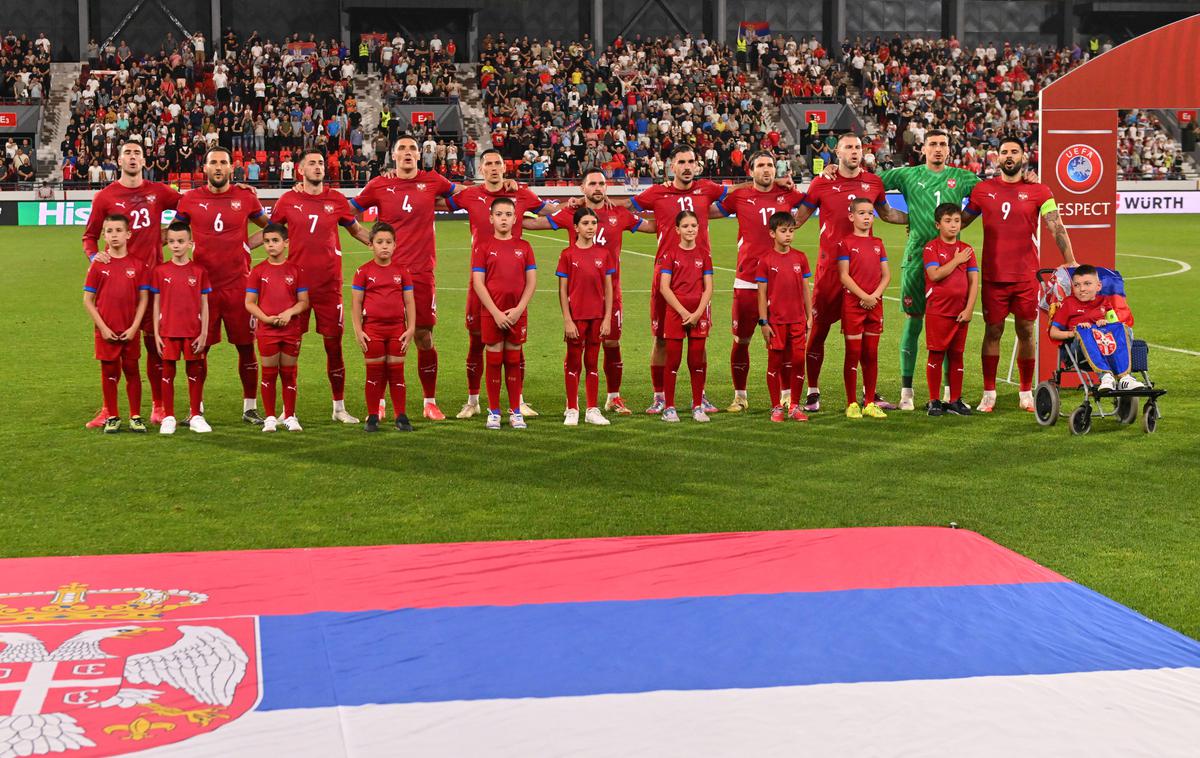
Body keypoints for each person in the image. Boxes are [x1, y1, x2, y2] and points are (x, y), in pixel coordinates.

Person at [351, 136, 468, 421]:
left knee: (424, 336)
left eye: (412, 149)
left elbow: (466, 193)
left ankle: (429, 401)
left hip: (420, 274)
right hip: (384, 277)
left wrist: (500, 186)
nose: (407, 152)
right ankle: (378, 402)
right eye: (401, 148)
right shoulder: (379, 184)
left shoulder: (433, 180)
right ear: (393, 155)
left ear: (420, 155)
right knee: (381, 339)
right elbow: (348, 213)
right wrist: (369, 240)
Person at [524, 169, 655, 414]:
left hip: (611, 295)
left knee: (612, 342)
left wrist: (678, 215)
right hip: (579, 298)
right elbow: (532, 223)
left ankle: (613, 397)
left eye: (601, 183)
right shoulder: (570, 214)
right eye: (592, 183)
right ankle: (572, 403)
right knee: (576, 348)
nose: (597, 187)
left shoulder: (619, 214)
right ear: (582, 188)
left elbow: (651, 227)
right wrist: (513, 208)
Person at [962, 136, 1076, 412]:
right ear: (997, 158)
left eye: (1014, 151)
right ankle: (989, 393)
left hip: (1025, 276)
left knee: (1026, 331)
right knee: (993, 331)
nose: (1009, 156)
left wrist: (1070, 260)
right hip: (993, 276)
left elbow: (1055, 226)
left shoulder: (1040, 191)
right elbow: (959, 222)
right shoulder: (982, 190)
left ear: (1024, 156)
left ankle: (1026, 391)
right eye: (1004, 152)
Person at [798, 133, 906, 412]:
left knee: (866, 338)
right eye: (848, 147)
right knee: (818, 331)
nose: (855, 151)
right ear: (837, 152)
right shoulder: (822, 182)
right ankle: (813, 390)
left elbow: (888, 213)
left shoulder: (873, 182)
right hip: (830, 271)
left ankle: (869, 392)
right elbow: (798, 218)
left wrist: (918, 220)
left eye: (858, 147)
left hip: (864, 274)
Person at [446, 148, 556, 419]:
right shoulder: (470, 195)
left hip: (514, 285)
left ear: (504, 168)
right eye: (488, 164)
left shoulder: (520, 194)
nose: (494, 168)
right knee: (476, 342)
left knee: (516, 344)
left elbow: (550, 210)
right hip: (481, 283)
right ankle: (473, 401)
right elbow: (435, 201)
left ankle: (517, 401)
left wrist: (575, 207)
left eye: (498, 163)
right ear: (481, 169)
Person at [263, 149, 370, 423]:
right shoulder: (287, 200)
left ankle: (339, 409)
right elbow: (272, 233)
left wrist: (382, 244)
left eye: (321, 163)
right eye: (312, 163)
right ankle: (289, 413)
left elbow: (356, 230)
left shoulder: (336, 199)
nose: (318, 167)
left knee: (334, 347)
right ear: (301, 170)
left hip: (329, 286)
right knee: (290, 349)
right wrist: (239, 247)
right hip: (295, 288)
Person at [82, 139, 182, 428]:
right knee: (110, 349)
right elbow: (90, 235)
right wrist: (94, 257)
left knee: (154, 347)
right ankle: (107, 409)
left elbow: (189, 206)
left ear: (144, 159)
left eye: (137, 153)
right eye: (127, 153)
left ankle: (158, 406)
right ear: (119, 159)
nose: (133, 157)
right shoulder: (105, 196)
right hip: (115, 286)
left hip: (151, 282)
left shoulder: (158, 191)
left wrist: (169, 234)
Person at [622, 145, 729, 415]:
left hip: (698, 275)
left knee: (699, 340)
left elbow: (739, 196)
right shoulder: (656, 193)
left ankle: (699, 395)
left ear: (697, 165)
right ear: (672, 166)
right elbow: (626, 208)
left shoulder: (707, 189)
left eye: (691, 161)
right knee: (660, 339)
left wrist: (777, 185)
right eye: (681, 161)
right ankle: (659, 396)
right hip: (666, 275)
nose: (686, 166)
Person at [173, 147, 269, 424]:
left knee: (246, 347)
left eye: (223, 163)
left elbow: (273, 228)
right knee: (199, 348)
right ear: (204, 169)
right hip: (203, 289)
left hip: (240, 287)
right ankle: (196, 409)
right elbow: (175, 234)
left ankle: (249, 407)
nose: (218, 167)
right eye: (213, 162)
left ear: (231, 168)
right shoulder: (190, 199)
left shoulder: (245, 196)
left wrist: (247, 244)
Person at [717, 151, 807, 413]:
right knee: (741, 340)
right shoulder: (740, 196)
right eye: (760, 166)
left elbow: (812, 201)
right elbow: (709, 208)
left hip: (781, 284)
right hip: (746, 280)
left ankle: (787, 395)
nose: (766, 170)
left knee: (785, 343)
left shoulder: (788, 195)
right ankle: (740, 395)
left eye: (770, 165)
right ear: (751, 169)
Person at [470, 197, 537, 430]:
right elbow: (478, 282)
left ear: (515, 218)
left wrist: (519, 310)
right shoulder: (483, 247)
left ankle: (516, 411)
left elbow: (531, 282)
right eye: (499, 214)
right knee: (494, 359)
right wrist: (496, 312)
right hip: (492, 314)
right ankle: (494, 411)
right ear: (491, 218)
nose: (504, 219)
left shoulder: (524, 247)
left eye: (508, 214)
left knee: (513, 360)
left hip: (517, 314)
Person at [82, 215, 150, 433]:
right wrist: (103, 328)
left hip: (130, 330)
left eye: (118, 230)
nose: (114, 235)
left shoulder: (138, 265)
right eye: (109, 231)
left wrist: (134, 327)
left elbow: (144, 300)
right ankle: (112, 415)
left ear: (128, 234)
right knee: (109, 372)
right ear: (104, 235)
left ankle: (135, 415)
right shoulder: (98, 266)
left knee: (132, 370)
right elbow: (87, 300)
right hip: (106, 330)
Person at [351, 222, 418, 432]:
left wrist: (411, 328)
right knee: (374, 373)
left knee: (397, 372)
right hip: (373, 330)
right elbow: (356, 303)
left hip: (397, 329)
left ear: (395, 245)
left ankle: (401, 415)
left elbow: (409, 302)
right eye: (379, 242)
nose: (384, 246)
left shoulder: (402, 271)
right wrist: (358, 330)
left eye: (389, 242)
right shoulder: (363, 271)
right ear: (371, 245)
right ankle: (372, 416)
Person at [245, 223, 310, 433]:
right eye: (266, 241)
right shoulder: (258, 271)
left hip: (291, 329)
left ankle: (290, 416)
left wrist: (289, 313)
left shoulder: (296, 270)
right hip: (267, 330)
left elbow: (303, 302)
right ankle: (271, 418)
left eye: (275, 241)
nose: (270, 245)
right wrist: (266, 318)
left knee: (289, 373)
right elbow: (249, 302)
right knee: (269, 373)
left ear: (286, 243)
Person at [555, 207, 615, 426]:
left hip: (597, 317)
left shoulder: (603, 254)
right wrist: (567, 319)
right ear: (576, 227)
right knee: (573, 362)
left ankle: (592, 409)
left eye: (593, 223)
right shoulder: (567, 255)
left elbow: (609, 289)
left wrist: (607, 318)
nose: (590, 227)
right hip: (576, 317)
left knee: (592, 362)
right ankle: (572, 408)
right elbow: (562, 290)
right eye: (586, 223)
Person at [150, 222, 211, 435]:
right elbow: (156, 303)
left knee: (194, 371)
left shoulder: (199, 271)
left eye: (181, 241)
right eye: (172, 241)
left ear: (190, 244)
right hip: (168, 331)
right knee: (168, 372)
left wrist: (204, 332)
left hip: (193, 330)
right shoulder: (160, 271)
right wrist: (157, 333)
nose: (176, 245)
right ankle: (169, 417)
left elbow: (204, 304)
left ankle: (196, 415)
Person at [755, 212, 813, 423]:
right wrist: (763, 321)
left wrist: (809, 316)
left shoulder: (800, 258)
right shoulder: (765, 260)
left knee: (798, 361)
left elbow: (806, 289)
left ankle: (794, 406)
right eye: (783, 231)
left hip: (798, 320)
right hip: (776, 322)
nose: (788, 235)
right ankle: (776, 407)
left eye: (791, 231)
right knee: (775, 364)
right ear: (772, 233)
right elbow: (761, 293)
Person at [923, 204, 980, 417]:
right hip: (938, 310)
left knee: (957, 355)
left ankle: (955, 400)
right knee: (936, 354)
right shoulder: (931, 248)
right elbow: (935, 274)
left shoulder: (968, 249)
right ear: (938, 224)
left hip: (960, 312)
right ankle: (934, 400)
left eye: (957, 221)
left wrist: (969, 308)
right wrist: (956, 260)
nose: (953, 225)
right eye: (948, 221)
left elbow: (974, 281)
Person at [658, 211, 714, 423]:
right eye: (686, 226)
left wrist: (698, 313)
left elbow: (708, 288)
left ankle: (698, 406)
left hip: (698, 314)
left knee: (696, 361)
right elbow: (665, 287)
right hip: (676, 313)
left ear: (699, 228)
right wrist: (683, 312)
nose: (690, 229)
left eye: (694, 226)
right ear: (677, 230)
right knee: (673, 361)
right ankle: (669, 407)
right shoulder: (670, 254)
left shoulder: (704, 255)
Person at [836, 198, 890, 419]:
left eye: (870, 213)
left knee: (871, 354)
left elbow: (886, 275)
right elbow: (843, 275)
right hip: (853, 305)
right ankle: (852, 403)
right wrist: (864, 296)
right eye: (861, 213)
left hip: (874, 305)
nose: (867, 217)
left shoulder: (878, 242)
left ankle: (869, 402)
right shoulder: (845, 243)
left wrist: (874, 297)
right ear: (851, 216)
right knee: (853, 353)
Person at [1048, 265, 1143, 391]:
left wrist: (1106, 323)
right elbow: (1053, 333)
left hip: (1106, 344)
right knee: (1086, 331)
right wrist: (1074, 333)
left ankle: (1125, 378)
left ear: (1098, 286)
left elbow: (1116, 326)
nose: (1082, 289)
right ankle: (1105, 376)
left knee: (1124, 328)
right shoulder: (1068, 304)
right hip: (1078, 351)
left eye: (1087, 284)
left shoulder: (1104, 302)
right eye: (1076, 285)